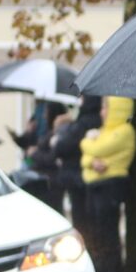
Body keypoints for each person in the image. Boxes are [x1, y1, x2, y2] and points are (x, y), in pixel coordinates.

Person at [80, 96, 136, 272]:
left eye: (106, 107)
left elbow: (96, 150)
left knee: (108, 234)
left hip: (110, 186)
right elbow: (87, 158)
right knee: (96, 235)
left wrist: (87, 143)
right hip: (94, 186)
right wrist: (90, 159)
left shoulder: (124, 131)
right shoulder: (103, 132)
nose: (102, 112)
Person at [53, 95, 103, 244]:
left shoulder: (83, 123)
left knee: (81, 220)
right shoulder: (98, 121)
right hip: (85, 177)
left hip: (77, 178)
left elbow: (61, 147)